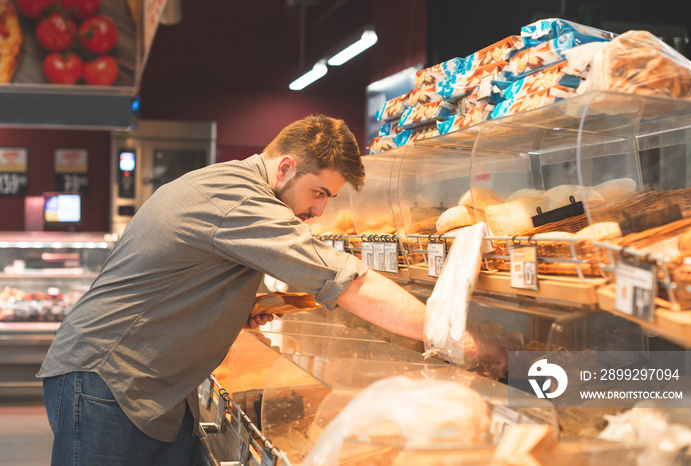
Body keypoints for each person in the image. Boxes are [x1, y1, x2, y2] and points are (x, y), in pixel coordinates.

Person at [37, 115, 429, 465]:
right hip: (108, 382)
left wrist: (232, 308)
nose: (320, 211)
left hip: (151, 387)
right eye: (318, 192)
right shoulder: (241, 198)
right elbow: (347, 281)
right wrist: (443, 331)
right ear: (286, 167)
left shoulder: (232, 185)